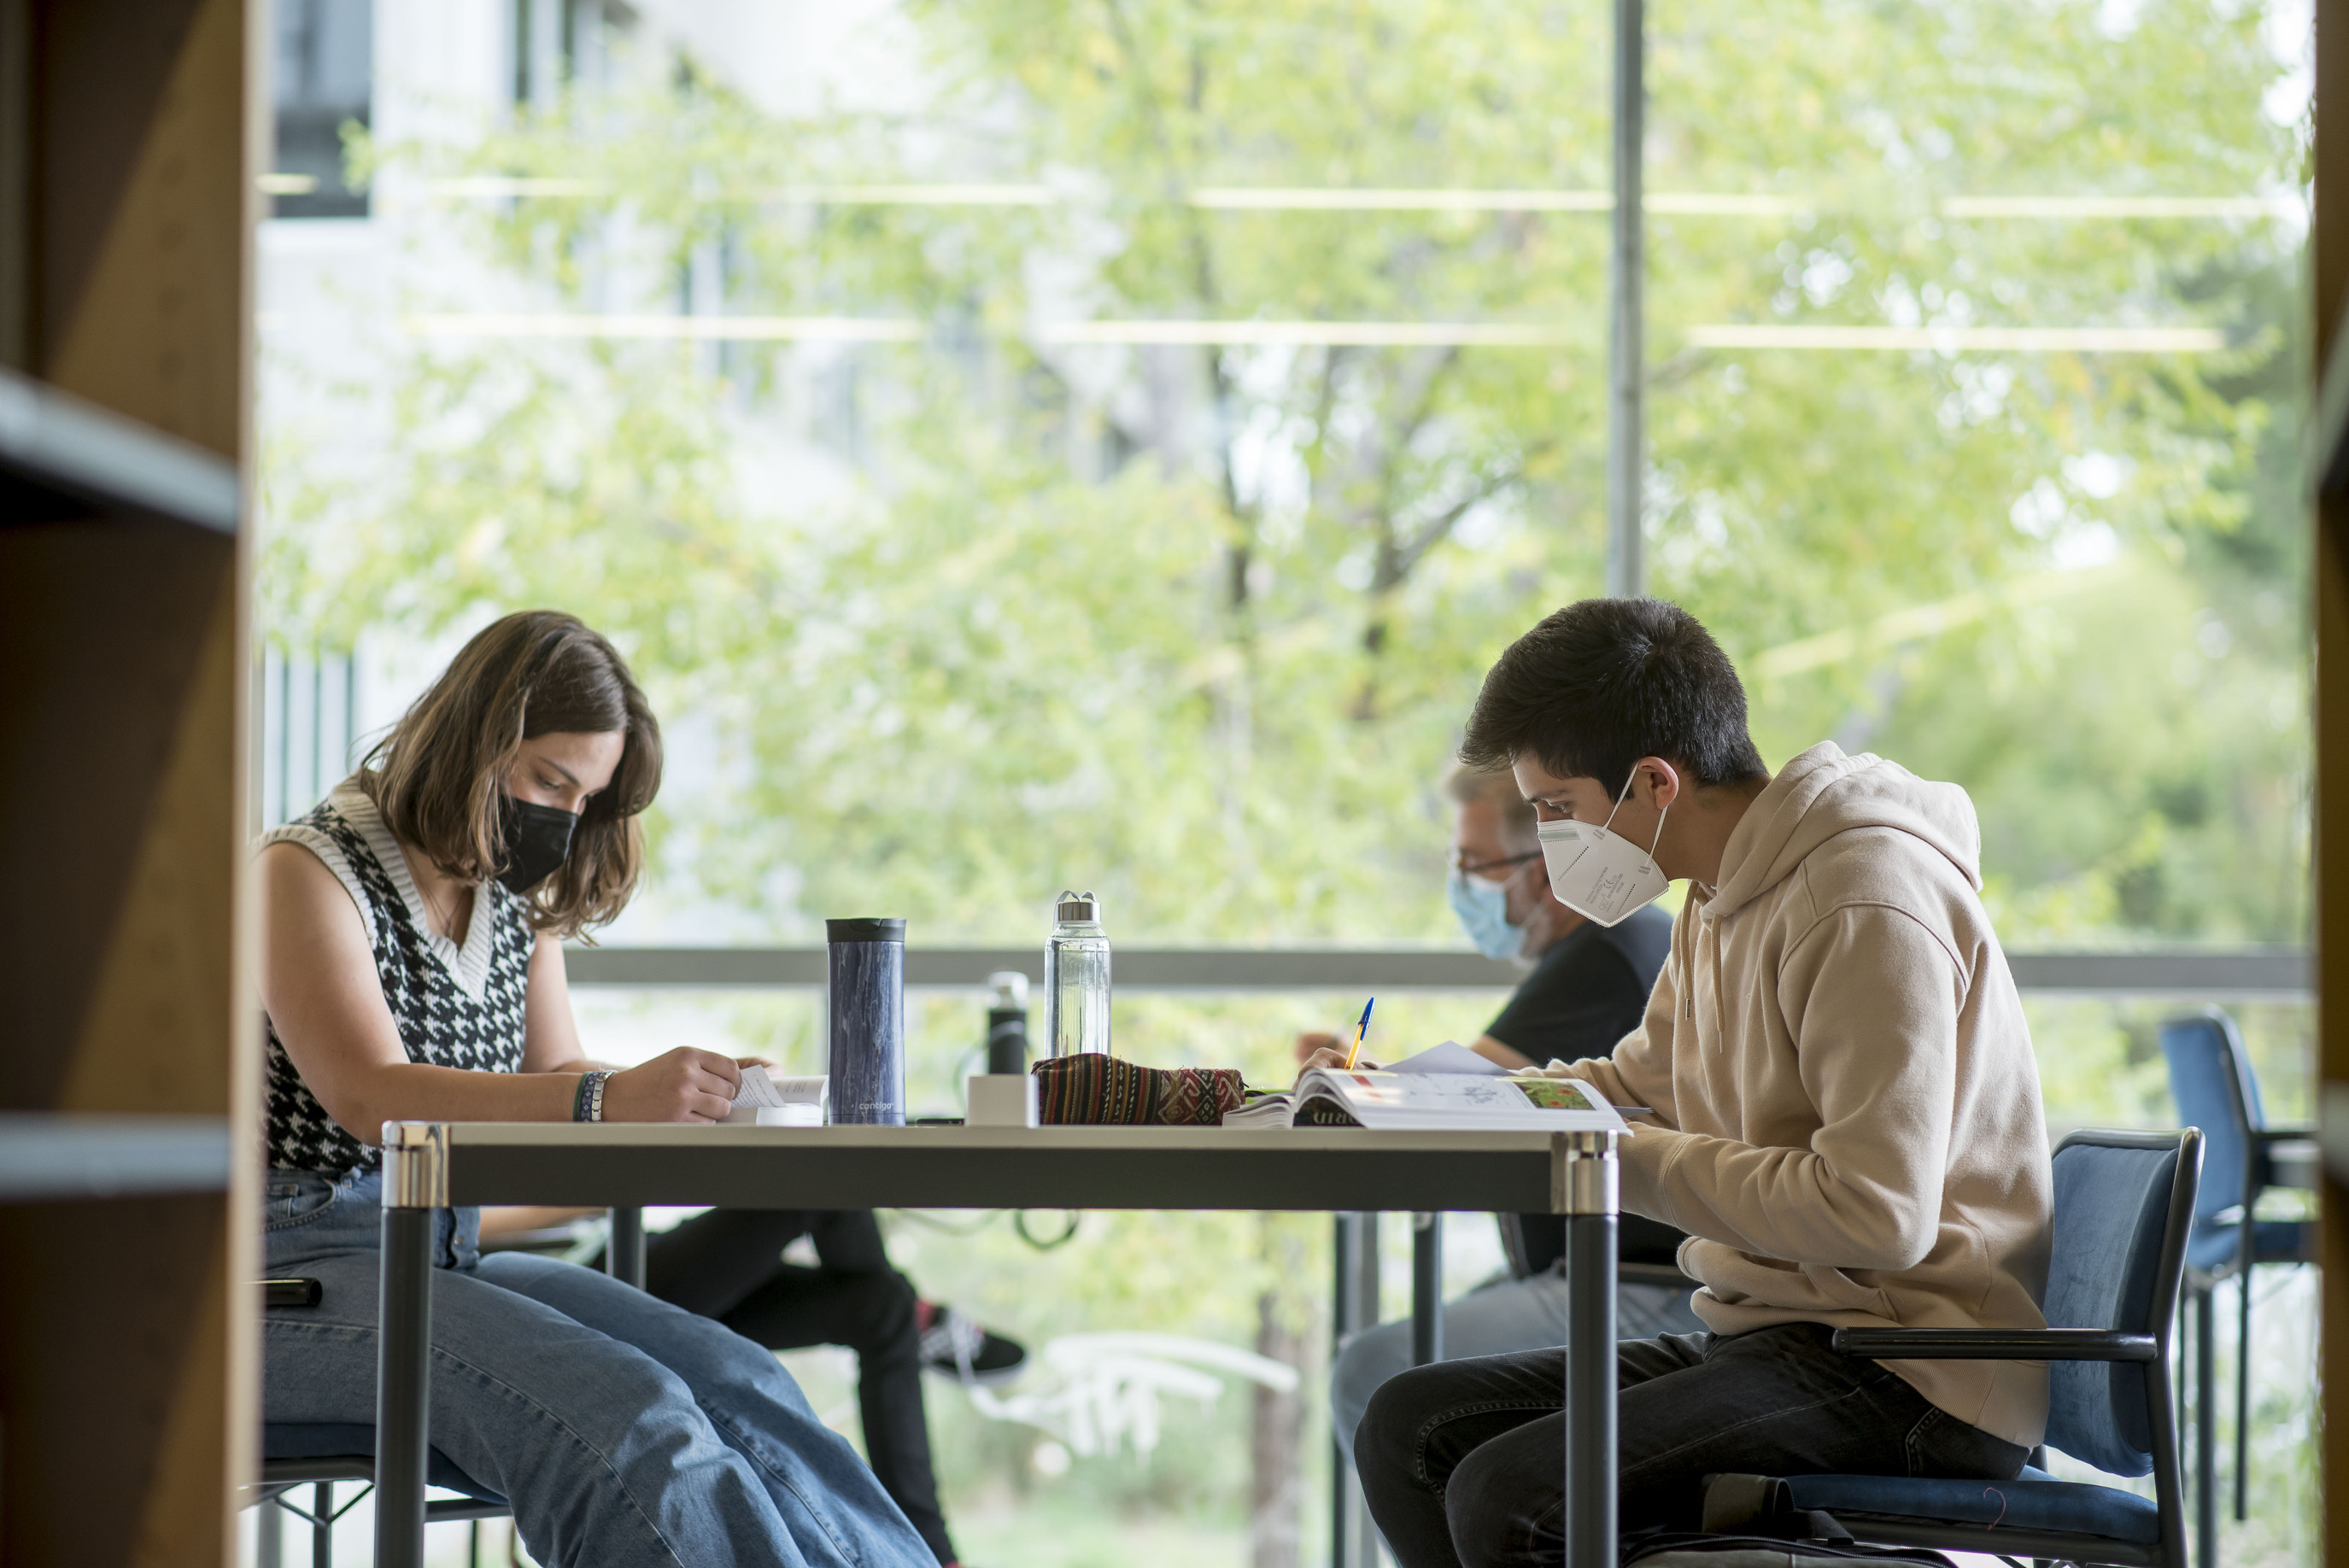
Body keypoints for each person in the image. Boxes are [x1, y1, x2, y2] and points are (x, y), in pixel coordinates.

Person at [1349, 598, 2053, 1567]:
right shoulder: (1718, 896)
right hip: (1782, 1338)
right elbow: (1639, 1084)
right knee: (1410, 1427)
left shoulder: (1863, 898)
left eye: (1556, 809)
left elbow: (1876, 1213)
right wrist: (1434, 1100)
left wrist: (1615, 1160)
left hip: (1910, 1372)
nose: (1550, 839)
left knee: (1512, 1495)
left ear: (1651, 783)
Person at [258, 610, 931, 1568]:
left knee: (737, 1380)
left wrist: (693, 1089)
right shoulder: (306, 869)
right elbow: (372, 1094)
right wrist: (606, 1099)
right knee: (627, 1414)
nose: (563, 821)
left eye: (585, 799)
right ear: (473, 741)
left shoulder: (504, 899)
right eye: (549, 781)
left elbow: (557, 1074)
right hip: (286, 1279)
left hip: (433, 1255)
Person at [1311, 764, 1696, 1455]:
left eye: (1473, 864)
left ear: (1543, 869)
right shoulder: (1610, 948)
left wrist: (1357, 1085)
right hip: (1603, 1265)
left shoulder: (1606, 955)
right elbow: (1491, 1084)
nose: (1461, 885)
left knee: (1374, 1372)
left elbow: (1466, 1093)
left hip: (1650, 1283)